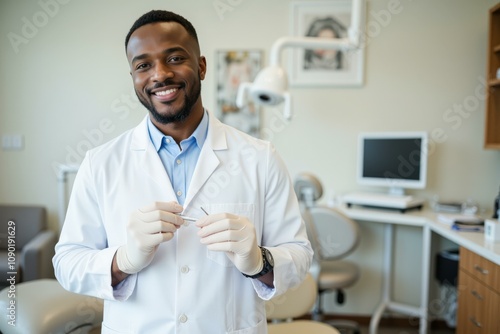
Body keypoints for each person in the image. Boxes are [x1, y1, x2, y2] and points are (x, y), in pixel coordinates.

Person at [53, 9, 313, 334]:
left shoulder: (259, 158)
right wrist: (124, 259)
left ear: (201, 66)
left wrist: (259, 261)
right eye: (143, 65)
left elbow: (300, 256)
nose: (160, 75)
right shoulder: (100, 163)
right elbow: (66, 263)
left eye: (175, 58)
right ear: (133, 77)